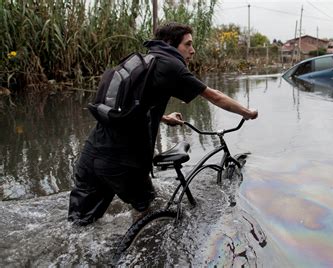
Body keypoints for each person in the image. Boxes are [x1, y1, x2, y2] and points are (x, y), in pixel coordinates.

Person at [68, 22, 258, 226]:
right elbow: (215, 96)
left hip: (92, 152)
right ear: (170, 43)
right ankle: (145, 248)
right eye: (188, 44)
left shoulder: (143, 61)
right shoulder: (171, 65)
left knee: (80, 223)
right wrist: (247, 113)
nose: (192, 51)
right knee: (148, 211)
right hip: (124, 162)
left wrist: (164, 117)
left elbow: (129, 108)